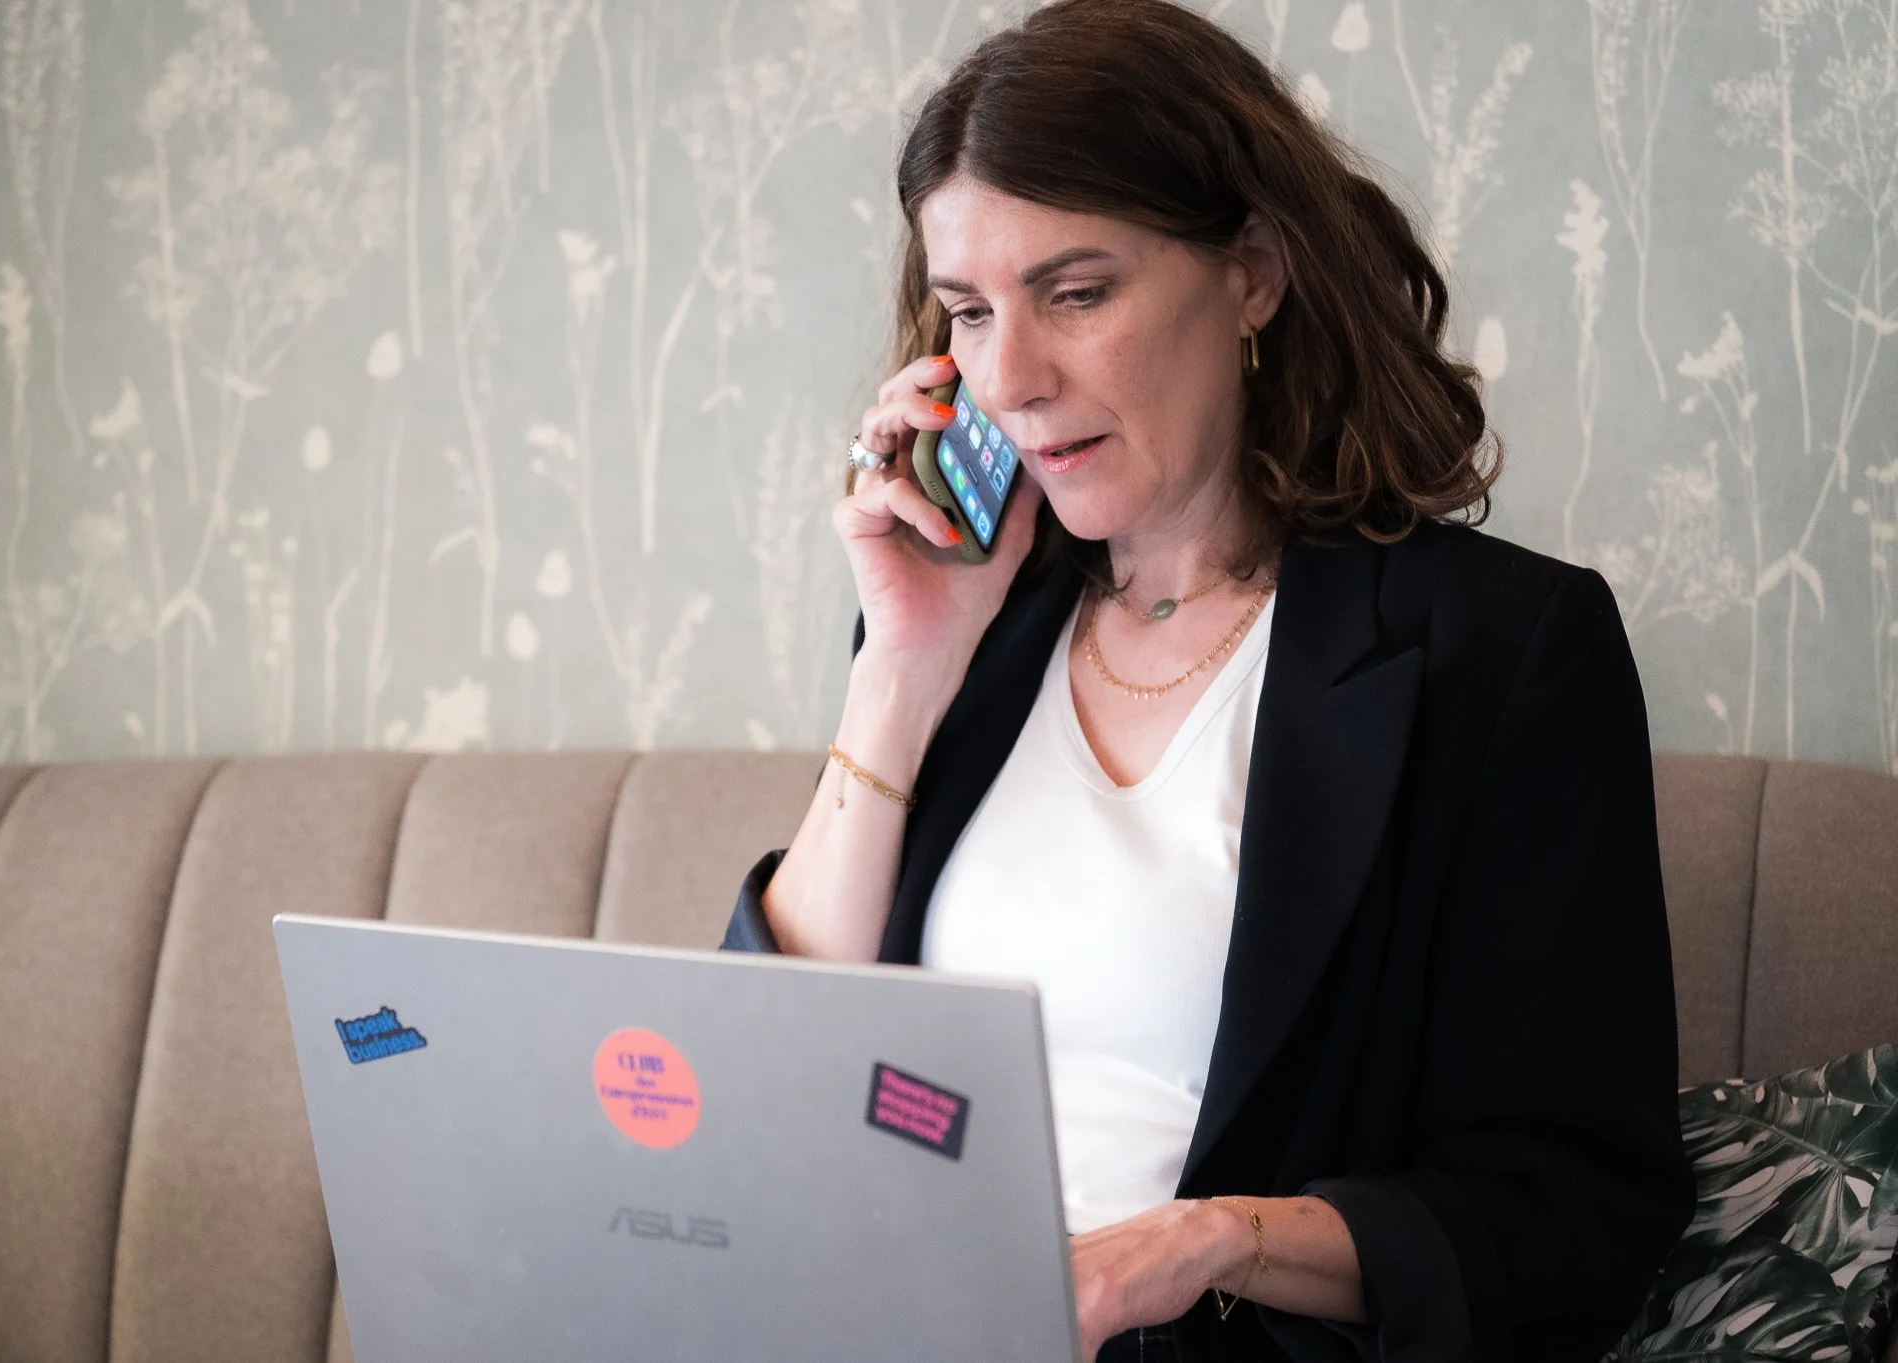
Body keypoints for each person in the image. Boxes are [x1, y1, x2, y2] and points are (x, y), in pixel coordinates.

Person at [721, 0, 1695, 1357]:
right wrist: (901, 667)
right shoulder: (967, 636)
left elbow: (1575, 1211)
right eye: (970, 313)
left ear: (1253, 273)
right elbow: (765, 1073)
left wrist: (1199, 1244)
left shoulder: (1501, 648)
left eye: (1076, 293)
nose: (1011, 378)